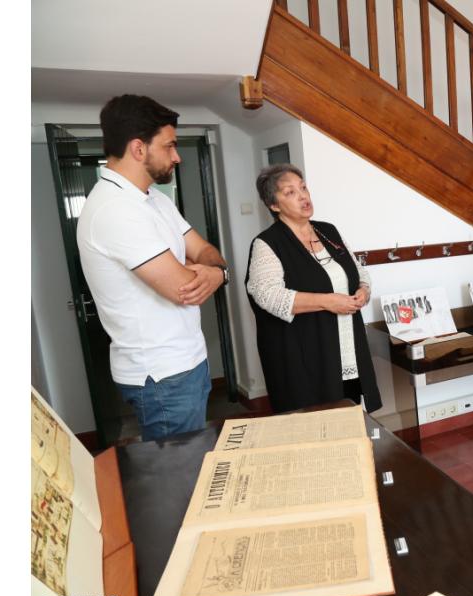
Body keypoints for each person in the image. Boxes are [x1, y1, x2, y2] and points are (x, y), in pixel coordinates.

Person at [77, 94, 229, 442]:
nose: (177, 156)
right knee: (178, 472)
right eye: (169, 146)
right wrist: (213, 273)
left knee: (195, 461)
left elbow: (206, 251)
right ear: (138, 149)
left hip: (186, 361)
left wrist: (214, 271)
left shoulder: (155, 199)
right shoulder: (115, 209)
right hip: (161, 375)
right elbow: (183, 289)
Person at [245, 163, 382, 414]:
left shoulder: (328, 231)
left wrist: (363, 289)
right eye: (290, 192)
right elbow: (267, 295)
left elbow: (358, 271)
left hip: (347, 348)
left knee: (351, 414)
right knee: (318, 423)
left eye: (303, 188)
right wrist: (327, 301)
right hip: (306, 355)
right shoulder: (267, 243)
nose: (303, 196)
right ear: (274, 205)